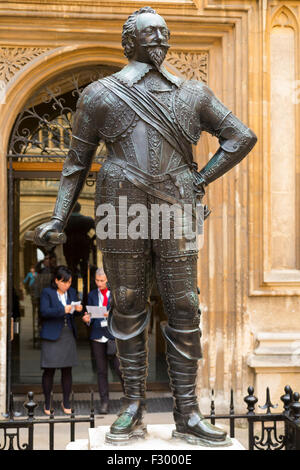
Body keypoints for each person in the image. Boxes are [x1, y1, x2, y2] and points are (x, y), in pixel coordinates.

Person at [34, 7, 257, 445]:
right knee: (129, 302)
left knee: (184, 305)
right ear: (129, 41)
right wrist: (59, 217)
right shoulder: (101, 94)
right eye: (149, 32)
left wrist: (200, 178)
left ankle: (187, 412)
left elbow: (241, 136)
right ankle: (132, 405)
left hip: (177, 206)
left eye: (164, 32)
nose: (159, 38)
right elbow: (74, 164)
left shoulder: (193, 92)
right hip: (121, 204)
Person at [39, 265, 83, 415]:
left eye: (69, 282)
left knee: (67, 370)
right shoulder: (47, 293)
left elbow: (76, 311)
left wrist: (78, 310)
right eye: (64, 282)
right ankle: (47, 402)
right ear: (56, 280)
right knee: (49, 370)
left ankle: (66, 401)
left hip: (67, 334)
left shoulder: (71, 292)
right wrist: (62, 310)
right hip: (51, 335)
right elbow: (44, 312)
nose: (67, 285)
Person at [82, 268, 123, 414]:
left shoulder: (116, 294)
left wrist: (111, 314)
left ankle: (129, 399)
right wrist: (87, 319)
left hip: (113, 335)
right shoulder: (92, 295)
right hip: (97, 335)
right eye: (97, 281)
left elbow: (123, 314)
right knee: (101, 371)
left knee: (120, 369)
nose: (99, 284)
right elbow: (89, 314)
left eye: (102, 281)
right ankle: (104, 402)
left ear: (108, 280)